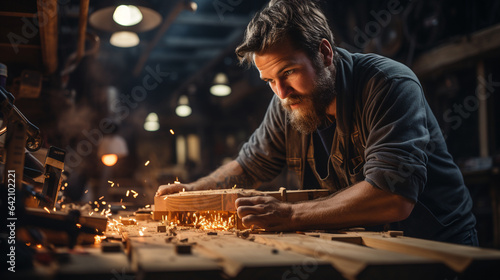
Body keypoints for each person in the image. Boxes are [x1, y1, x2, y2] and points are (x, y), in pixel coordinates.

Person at [156, 0, 478, 245]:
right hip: (376, 244)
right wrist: (188, 192)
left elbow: (392, 198)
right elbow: (248, 166)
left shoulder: (388, 85)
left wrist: (289, 214)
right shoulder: (286, 103)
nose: (281, 93)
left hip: (439, 246)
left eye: (288, 73)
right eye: (269, 80)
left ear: (324, 54)